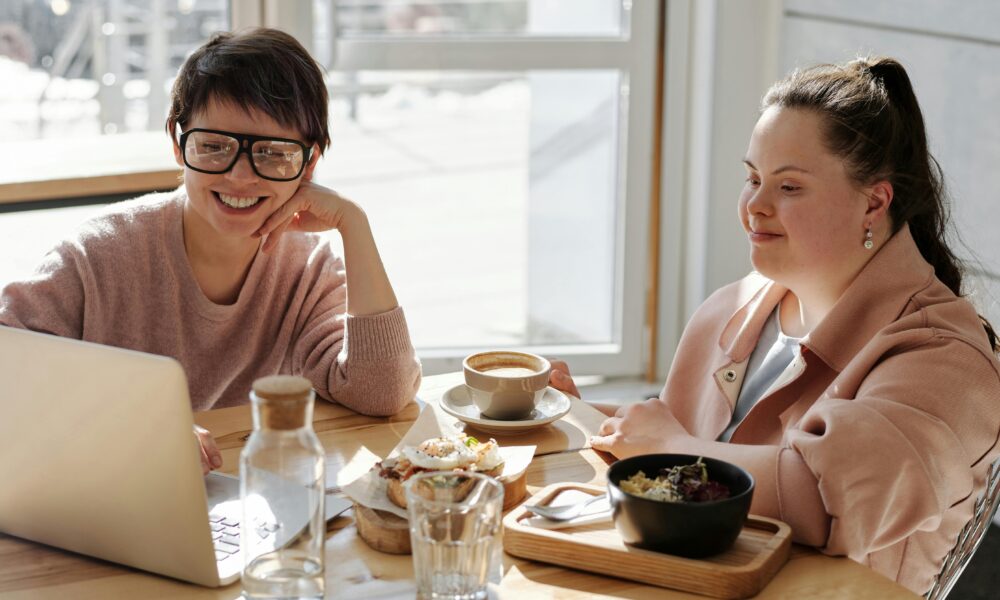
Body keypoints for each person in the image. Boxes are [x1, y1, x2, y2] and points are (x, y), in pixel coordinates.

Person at [550, 57, 1000, 595]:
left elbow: (821, 498)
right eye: (753, 178)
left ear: (874, 203)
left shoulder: (944, 360)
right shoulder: (735, 307)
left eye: (789, 187)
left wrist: (665, 447)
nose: (754, 207)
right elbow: (688, 446)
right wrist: (574, 414)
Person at [0, 29, 421, 474]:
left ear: (309, 164)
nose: (240, 177)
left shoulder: (308, 268)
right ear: (178, 143)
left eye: (273, 153)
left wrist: (352, 225)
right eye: (215, 147)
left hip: (241, 500)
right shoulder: (99, 253)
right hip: (108, 490)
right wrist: (134, 420)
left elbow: (383, 392)